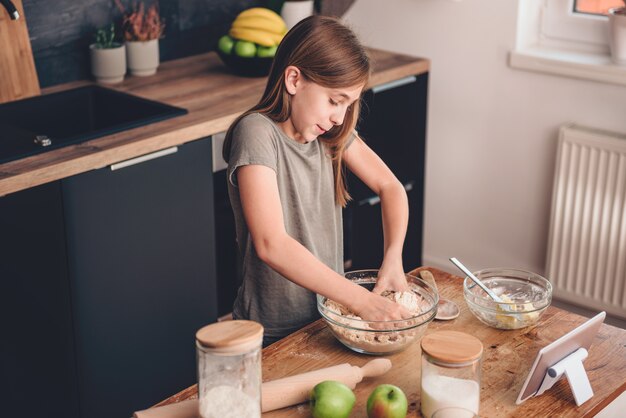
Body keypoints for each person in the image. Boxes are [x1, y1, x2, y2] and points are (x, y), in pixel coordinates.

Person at [223, 15, 412, 347]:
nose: (339, 117)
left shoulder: (331, 133)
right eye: (334, 101)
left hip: (328, 319)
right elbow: (271, 244)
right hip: (271, 331)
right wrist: (363, 300)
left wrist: (393, 257)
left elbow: (390, 187)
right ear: (294, 79)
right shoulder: (255, 133)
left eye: (348, 105)